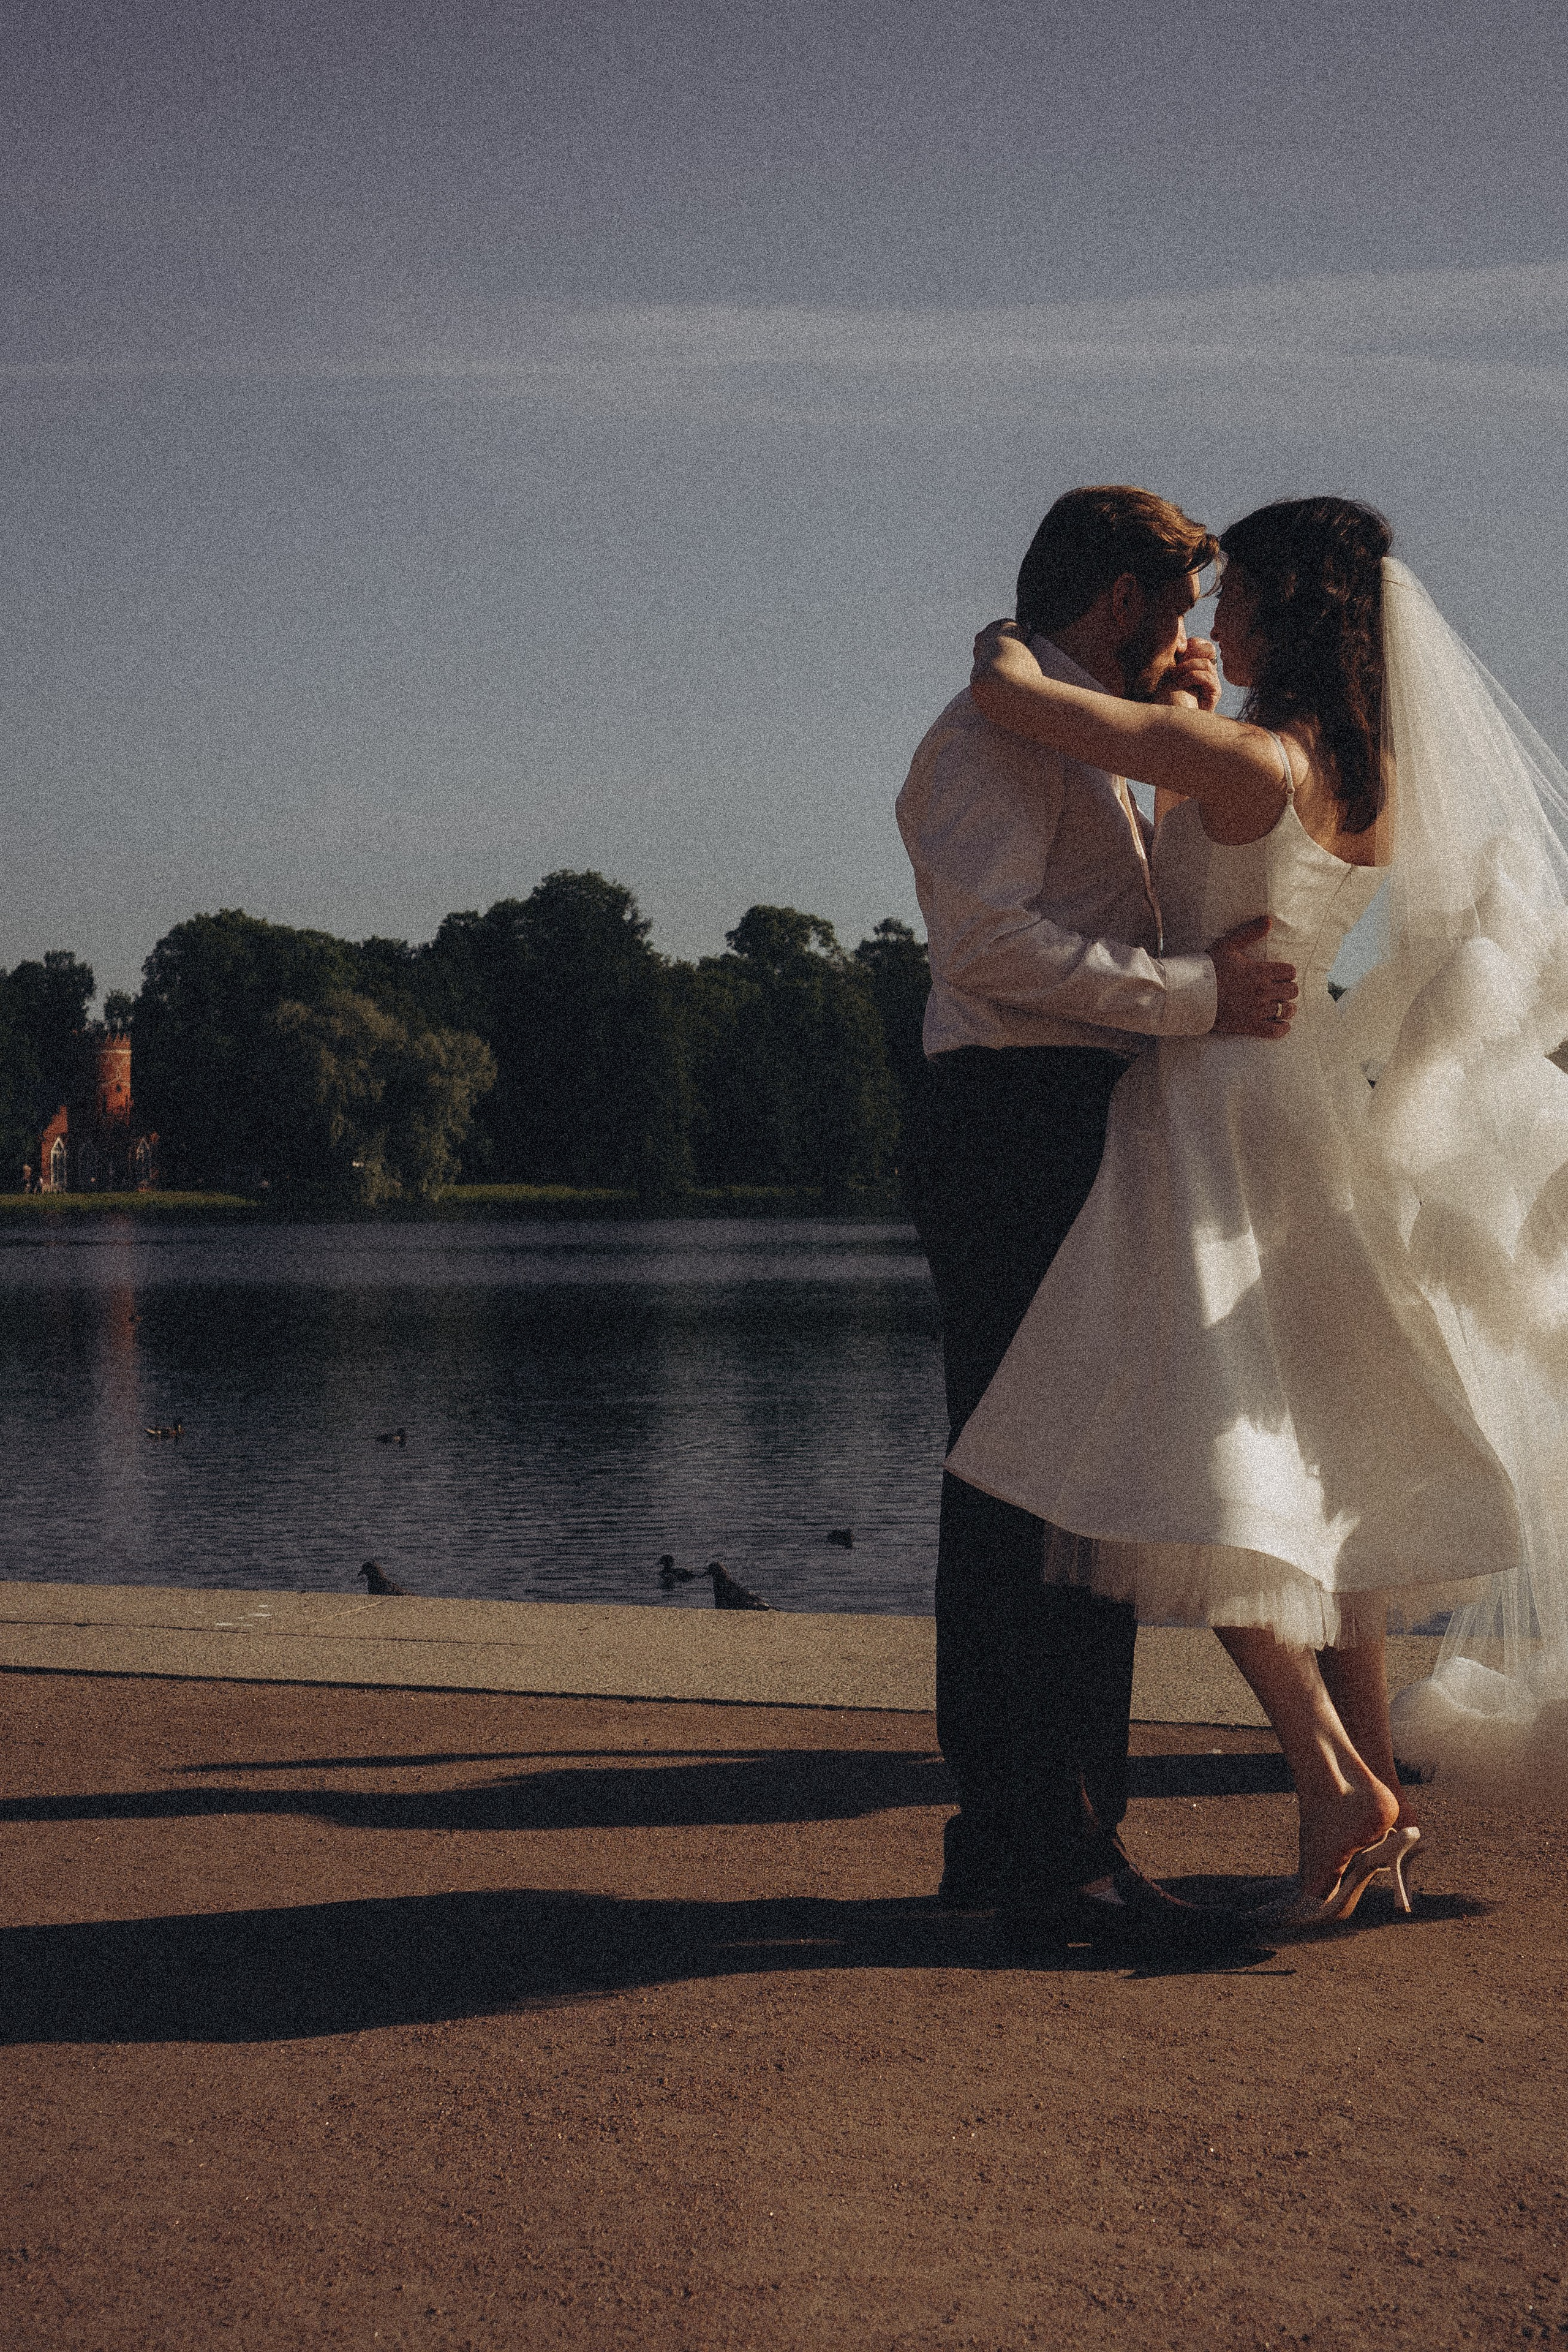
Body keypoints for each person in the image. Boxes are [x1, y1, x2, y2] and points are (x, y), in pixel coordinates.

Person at [949, 495, 1568, 1924]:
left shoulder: (1230, 759)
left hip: (1207, 1107)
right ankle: (1364, 1808)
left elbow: (1015, 696)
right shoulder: (1365, 772)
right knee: (1307, 1470)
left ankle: (1333, 1781)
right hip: (1300, 1108)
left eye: (1227, 602)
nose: (1204, 625)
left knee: (1197, 1465)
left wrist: (1005, 637)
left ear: (1281, 613)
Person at [897, 485, 1299, 1960]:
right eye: (1179, 611)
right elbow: (992, 947)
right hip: (1010, 1120)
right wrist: (1201, 1002)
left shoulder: (1066, 727)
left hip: (1060, 1119)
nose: (1193, 641)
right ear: (1124, 600)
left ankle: (1039, 1841)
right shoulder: (988, 737)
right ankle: (1040, 1855)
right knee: (1021, 1499)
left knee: (1066, 1490)